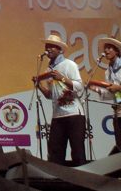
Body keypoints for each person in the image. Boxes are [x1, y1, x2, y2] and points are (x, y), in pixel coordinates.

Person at [34, 34, 86, 166]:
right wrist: (39, 85)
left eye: (52, 46)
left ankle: (82, 177)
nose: (48, 49)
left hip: (74, 114)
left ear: (59, 49)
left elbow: (80, 87)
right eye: (47, 46)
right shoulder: (48, 69)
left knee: (77, 152)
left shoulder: (69, 64)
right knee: (55, 154)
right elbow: (50, 95)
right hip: (57, 116)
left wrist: (62, 78)